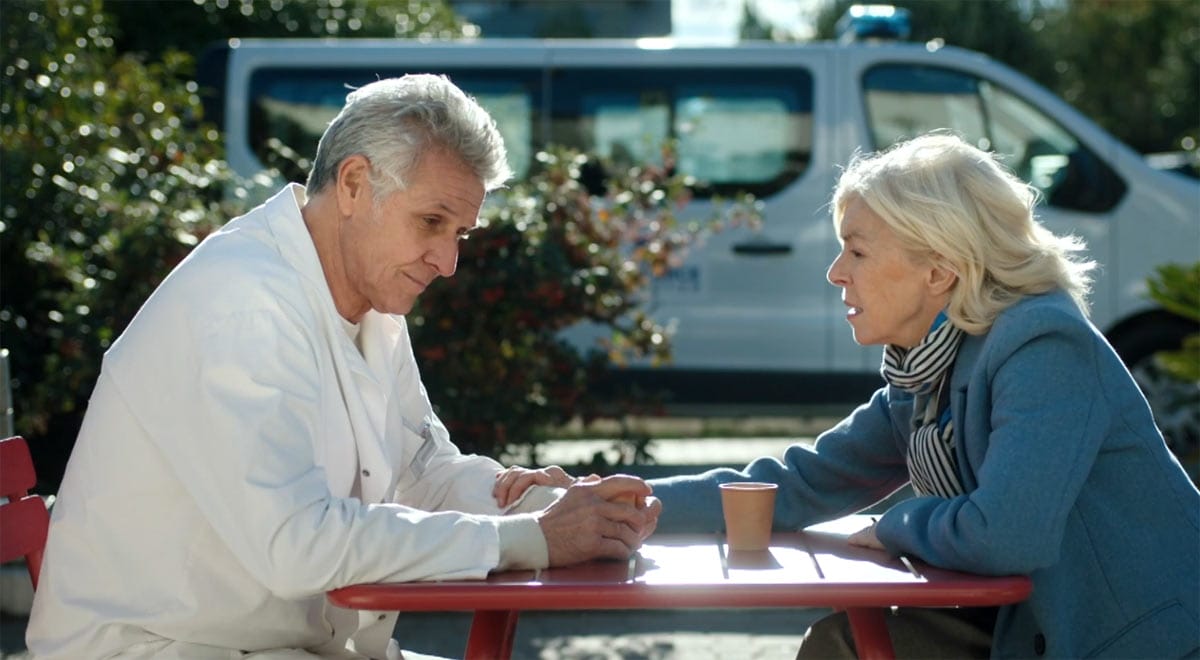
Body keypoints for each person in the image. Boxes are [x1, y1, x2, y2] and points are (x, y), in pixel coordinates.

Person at [26, 74, 660, 660]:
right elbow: (298, 546)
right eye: (431, 222)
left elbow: (421, 471)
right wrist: (532, 540)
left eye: (460, 234)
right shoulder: (242, 303)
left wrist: (539, 507)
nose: (447, 261)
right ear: (354, 184)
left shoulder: (366, 296)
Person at [502, 133, 1200, 658]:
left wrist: (892, 526)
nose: (837, 272)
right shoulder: (931, 362)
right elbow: (796, 485)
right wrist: (615, 502)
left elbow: (1006, 532)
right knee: (842, 645)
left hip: (1130, 639)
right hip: (1027, 625)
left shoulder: (1042, 348)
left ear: (940, 267)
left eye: (858, 251)